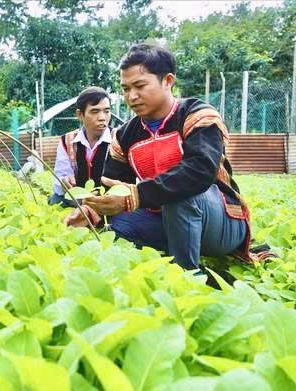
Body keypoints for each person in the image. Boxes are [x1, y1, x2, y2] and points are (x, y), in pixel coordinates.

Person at [65, 43, 255, 271]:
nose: (131, 96)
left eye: (140, 86)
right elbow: (110, 183)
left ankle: (186, 276)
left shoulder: (197, 115)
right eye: (125, 89)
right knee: (117, 228)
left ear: (168, 81)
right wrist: (93, 210)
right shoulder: (126, 135)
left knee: (180, 194)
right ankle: (168, 259)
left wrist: (135, 196)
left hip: (221, 224)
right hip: (166, 222)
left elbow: (198, 172)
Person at [49, 86, 113, 207]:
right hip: (77, 201)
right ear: (80, 114)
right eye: (95, 111)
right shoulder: (67, 141)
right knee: (55, 201)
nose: (102, 118)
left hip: (108, 203)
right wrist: (65, 182)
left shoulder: (118, 138)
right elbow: (60, 177)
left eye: (106, 111)